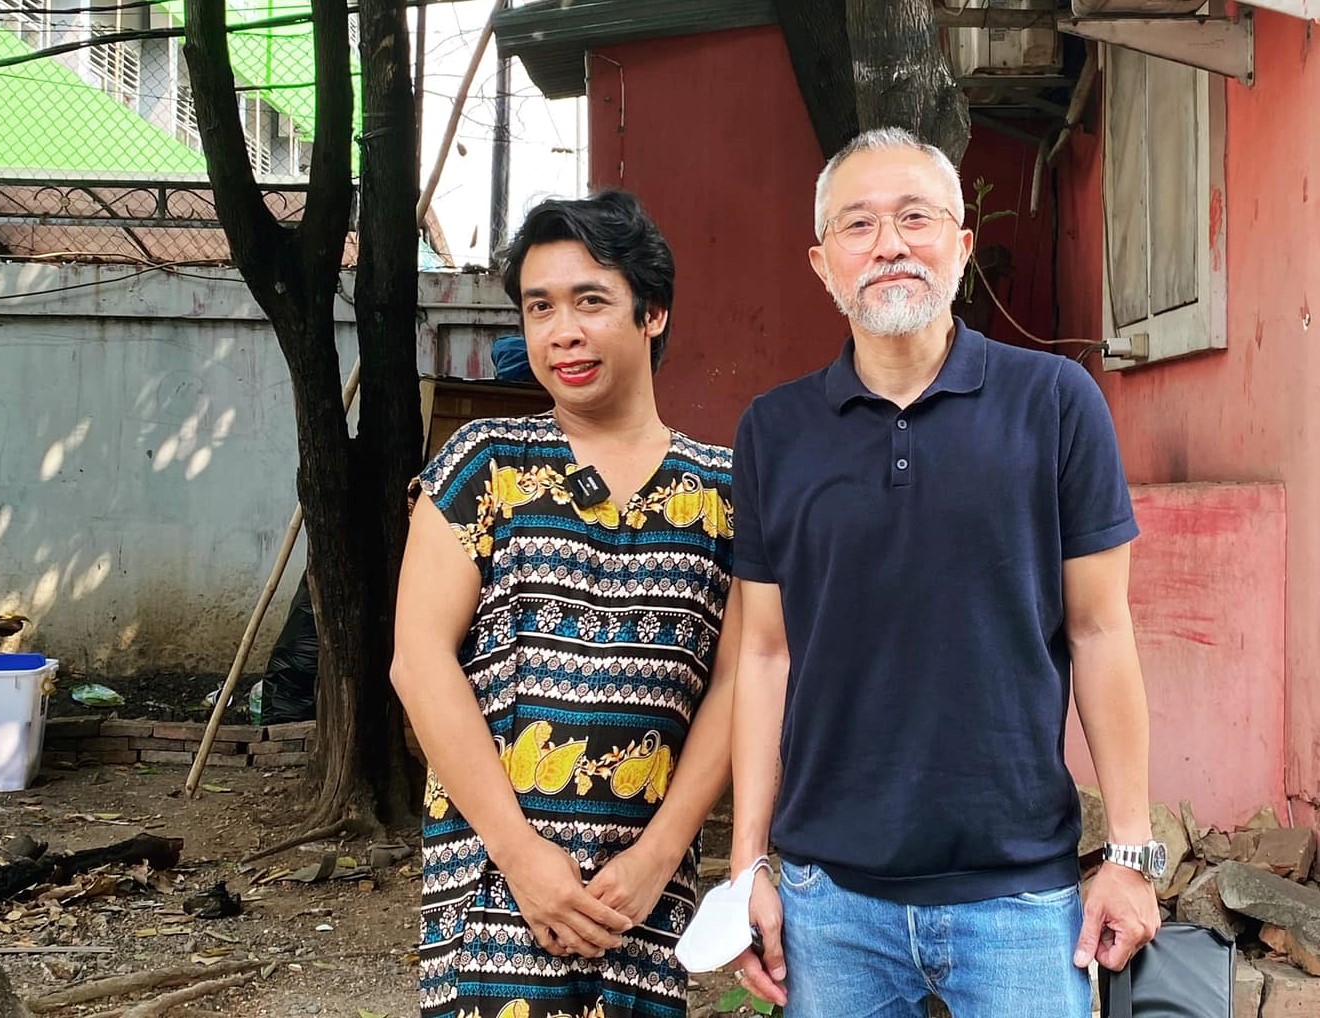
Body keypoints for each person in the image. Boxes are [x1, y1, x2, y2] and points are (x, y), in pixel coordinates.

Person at [724, 127, 1161, 1018]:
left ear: (960, 246)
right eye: (859, 224)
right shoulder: (775, 432)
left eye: (915, 216)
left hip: (1020, 897)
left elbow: (1101, 629)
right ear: (823, 264)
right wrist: (746, 869)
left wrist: (1130, 852)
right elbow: (765, 656)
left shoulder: (1056, 404)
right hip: (828, 900)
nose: (890, 243)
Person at [392, 190, 741, 1018]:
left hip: (640, 901)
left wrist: (659, 857)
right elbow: (419, 662)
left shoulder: (727, 492)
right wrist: (521, 858)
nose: (562, 333)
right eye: (539, 307)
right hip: (494, 891)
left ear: (652, 313)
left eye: (590, 301)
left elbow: (741, 683)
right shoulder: (486, 466)